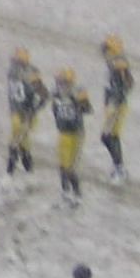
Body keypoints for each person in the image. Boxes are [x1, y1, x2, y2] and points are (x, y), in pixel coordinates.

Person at [47, 71, 92, 208]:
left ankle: (77, 195)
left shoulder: (77, 94)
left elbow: (88, 110)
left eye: (63, 82)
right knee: (62, 164)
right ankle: (65, 193)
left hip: (76, 134)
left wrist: (78, 101)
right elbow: (54, 109)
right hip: (63, 133)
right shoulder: (56, 94)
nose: (60, 85)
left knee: (71, 167)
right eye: (59, 82)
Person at [3, 50, 47, 179]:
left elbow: (44, 96)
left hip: (26, 114)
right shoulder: (12, 72)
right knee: (23, 142)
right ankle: (28, 168)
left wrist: (34, 109)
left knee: (15, 140)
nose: (15, 64)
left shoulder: (31, 74)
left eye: (18, 62)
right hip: (16, 112)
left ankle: (10, 171)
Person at [97, 37, 134, 184]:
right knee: (109, 136)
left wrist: (115, 102)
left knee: (108, 136)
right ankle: (117, 166)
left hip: (116, 106)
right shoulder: (114, 63)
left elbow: (128, 84)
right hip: (111, 104)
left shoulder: (119, 65)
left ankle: (119, 168)